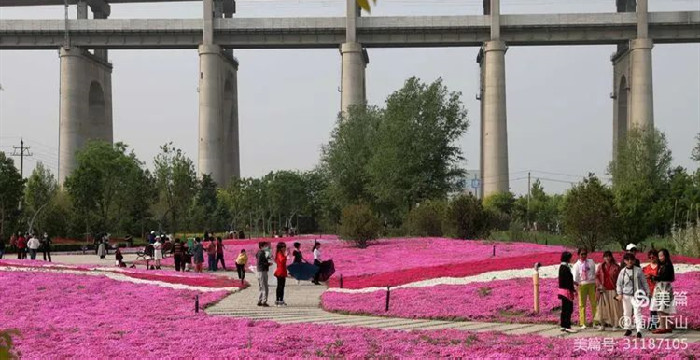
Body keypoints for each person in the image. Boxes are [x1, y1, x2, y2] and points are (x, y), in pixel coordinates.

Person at [616, 252, 650, 338]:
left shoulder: (638, 270)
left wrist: (647, 291)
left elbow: (644, 282)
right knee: (626, 312)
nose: (630, 261)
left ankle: (639, 330)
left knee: (637, 312)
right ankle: (628, 329)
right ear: (625, 261)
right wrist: (619, 294)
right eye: (627, 259)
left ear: (634, 261)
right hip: (626, 295)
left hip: (636, 295)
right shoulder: (622, 272)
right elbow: (619, 284)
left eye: (632, 259)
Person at [594, 251, 623, 330]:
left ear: (611, 257)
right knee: (602, 308)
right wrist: (599, 285)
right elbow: (596, 276)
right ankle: (602, 324)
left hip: (613, 289)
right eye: (605, 256)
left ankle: (615, 325)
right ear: (603, 258)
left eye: (608, 256)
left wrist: (619, 289)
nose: (607, 258)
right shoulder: (601, 266)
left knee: (614, 308)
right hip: (603, 290)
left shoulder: (616, 267)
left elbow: (620, 279)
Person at [650, 248, 675, 334]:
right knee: (663, 308)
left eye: (662, 256)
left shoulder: (667, 266)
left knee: (661, 308)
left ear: (666, 256)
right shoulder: (663, 265)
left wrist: (653, 277)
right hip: (662, 287)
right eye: (659, 256)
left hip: (663, 288)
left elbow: (663, 277)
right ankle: (667, 326)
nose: (660, 257)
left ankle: (662, 326)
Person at [572, 248, 597, 328]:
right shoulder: (576, 265)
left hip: (591, 284)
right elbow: (575, 276)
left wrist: (595, 282)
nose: (583, 255)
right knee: (582, 304)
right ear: (578, 255)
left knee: (594, 303)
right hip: (582, 285)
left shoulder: (591, 262)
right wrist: (576, 287)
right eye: (582, 254)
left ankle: (595, 322)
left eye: (585, 254)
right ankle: (583, 323)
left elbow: (594, 272)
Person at [558, 251, 577, 333]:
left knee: (564, 309)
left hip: (562, 291)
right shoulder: (565, 268)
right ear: (567, 258)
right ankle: (567, 326)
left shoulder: (562, 267)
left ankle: (563, 325)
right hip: (566, 291)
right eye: (570, 257)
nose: (571, 259)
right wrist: (573, 289)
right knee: (568, 309)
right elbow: (567, 281)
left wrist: (574, 282)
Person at [643, 249, 660, 330]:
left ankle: (656, 323)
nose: (652, 258)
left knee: (657, 308)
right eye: (650, 257)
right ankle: (654, 323)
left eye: (653, 256)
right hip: (649, 290)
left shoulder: (660, 267)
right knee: (652, 308)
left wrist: (651, 276)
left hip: (658, 289)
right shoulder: (646, 268)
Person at [256, 242, 271, 307]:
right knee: (265, 287)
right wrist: (268, 264)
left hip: (260, 271)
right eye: (265, 246)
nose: (267, 247)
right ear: (261, 246)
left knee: (261, 286)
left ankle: (260, 300)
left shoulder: (259, 252)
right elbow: (261, 263)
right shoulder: (261, 253)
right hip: (262, 271)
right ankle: (264, 301)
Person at [274, 242, 289, 307]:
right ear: (280, 248)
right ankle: (280, 301)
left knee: (280, 286)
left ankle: (278, 300)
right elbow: (282, 261)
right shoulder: (280, 254)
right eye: (284, 247)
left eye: (285, 247)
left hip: (281, 271)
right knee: (281, 287)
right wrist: (286, 255)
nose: (285, 248)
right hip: (280, 272)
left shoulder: (280, 253)